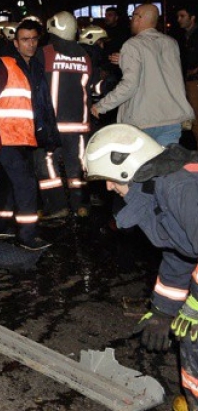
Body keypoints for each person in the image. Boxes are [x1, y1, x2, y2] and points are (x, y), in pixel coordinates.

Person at [83, 123, 198, 409]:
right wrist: (163, 310)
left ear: (129, 168)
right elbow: (180, 252)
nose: (108, 187)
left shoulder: (179, 188)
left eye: (110, 179)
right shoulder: (158, 189)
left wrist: (194, 304)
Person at [0, 19, 60, 250]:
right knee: (26, 183)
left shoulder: (33, 67)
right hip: (4, 137)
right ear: (16, 43)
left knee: (7, 180)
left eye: (34, 39)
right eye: (25, 40)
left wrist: (47, 134)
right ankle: (27, 235)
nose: (30, 44)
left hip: (23, 136)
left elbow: (39, 104)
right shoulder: (4, 65)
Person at [91, 4, 193, 146]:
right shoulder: (171, 43)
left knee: (143, 166)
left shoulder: (132, 45)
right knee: (166, 164)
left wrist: (101, 106)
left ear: (139, 18)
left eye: (133, 16)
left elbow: (130, 85)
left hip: (144, 121)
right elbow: (159, 69)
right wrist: (125, 59)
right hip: (172, 118)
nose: (131, 20)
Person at [33, 11, 93, 219]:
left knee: (45, 162)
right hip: (79, 125)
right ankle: (80, 205)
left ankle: (57, 204)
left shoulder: (44, 53)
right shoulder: (85, 56)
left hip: (53, 125)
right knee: (76, 165)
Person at [177, 7, 198, 147]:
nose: (179, 19)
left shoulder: (194, 35)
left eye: (182, 16)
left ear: (192, 18)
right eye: (178, 16)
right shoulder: (185, 36)